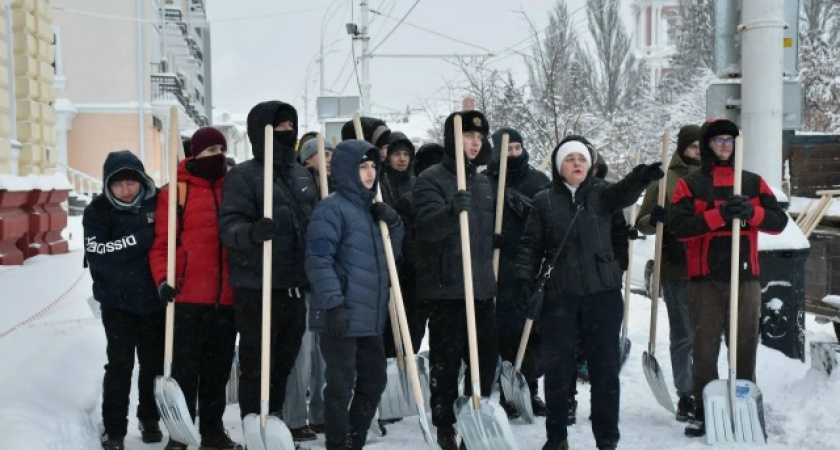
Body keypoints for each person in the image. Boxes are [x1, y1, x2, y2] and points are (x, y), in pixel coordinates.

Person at [515, 135, 664, 450]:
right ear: (559, 167)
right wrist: (523, 280)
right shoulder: (543, 200)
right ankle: (557, 437)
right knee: (557, 372)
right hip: (559, 299)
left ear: (589, 165)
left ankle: (607, 440)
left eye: (582, 159)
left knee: (605, 372)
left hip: (602, 298)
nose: (577, 164)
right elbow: (530, 245)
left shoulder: (602, 194)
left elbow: (623, 195)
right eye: (570, 159)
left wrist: (640, 178)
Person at [667, 119, 788, 438]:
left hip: (745, 277)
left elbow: (778, 222)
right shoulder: (691, 185)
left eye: (729, 140)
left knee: (745, 344)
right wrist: (719, 215)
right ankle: (703, 408)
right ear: (707, 144)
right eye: (718, 140)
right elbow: (679, 228)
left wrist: (752, 214)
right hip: (704, 279)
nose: (724, 146)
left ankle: (744, 404)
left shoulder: (752, 183)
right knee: (704, 347)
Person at [218, 101, 317, 424]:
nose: (288, 132)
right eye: (280, 127)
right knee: (257, 364)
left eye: (291, 126)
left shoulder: (301, 174)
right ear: (262, 133)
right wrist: (252, 232)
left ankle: (273, 419)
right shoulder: (243, 176)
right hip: (257, 288)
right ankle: (254, 424)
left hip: (294, 286)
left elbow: (312, 220)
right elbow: (228, 227)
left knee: (285, 362)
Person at [305, 139, 404, 450]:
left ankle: (354, 438)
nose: (371, 173)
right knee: (340, 385)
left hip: (369, 315)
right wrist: (334, 304)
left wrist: (394, 224)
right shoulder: (330, 209)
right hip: (341, 313)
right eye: (363, 167)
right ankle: (338, 443)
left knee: (375, 379)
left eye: (374, 166)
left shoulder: (372, 211)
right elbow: (318, 260)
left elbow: (390, 256)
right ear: (348, 169)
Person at [148, 127, 242, 450]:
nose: (217, 154)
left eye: (221, 148)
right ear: (195, 153)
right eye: (210, 149)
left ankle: (212, 433)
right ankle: (180, 435)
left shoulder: (234, 188)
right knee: (185, 372)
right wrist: (163, 280)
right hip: (188, 298)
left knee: (217, 373)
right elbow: (161, 245)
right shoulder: (176, 191)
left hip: (227, 298)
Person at [413, 110, 499, 450]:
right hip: (447, 288)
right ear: (453, 139)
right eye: (468, 136)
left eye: (479, 138)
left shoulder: (483, 182)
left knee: (486, 360)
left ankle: (474, 418)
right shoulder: (431, 179)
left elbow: (479, 234)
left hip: (481, 288)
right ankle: (445, 424)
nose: (475, 143)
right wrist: (449, 212)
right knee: (446, 364)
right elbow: (426, 229)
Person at [83, 150, 164, 450]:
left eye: (132, 182)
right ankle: (114, 429)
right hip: (117, 303)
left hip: (155, 300)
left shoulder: (158, 204)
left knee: (153, 365)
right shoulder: (98, 211)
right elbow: (100, 255)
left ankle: (150, 418)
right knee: (120, 365)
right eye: (118, 184)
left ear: (143, 181)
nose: (126, 190)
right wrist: (140, 239)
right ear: (108, 185)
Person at [635, 124, 702, 422]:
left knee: (708, 335)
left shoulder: (715, 177)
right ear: (682, 147)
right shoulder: (665, 181)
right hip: (677, 266)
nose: (698, 151)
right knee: (684, 334)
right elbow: (642, 223)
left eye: (702, 146)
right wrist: (655, 218)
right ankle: (686, 394)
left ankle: (707, 390)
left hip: (710, 267)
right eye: (693, 146)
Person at [483, 126, 549, 419]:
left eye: (517, 148)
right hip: (499, 269)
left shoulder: (538, 181)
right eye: (507, 150)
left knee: (532, 331)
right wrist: (489, 238)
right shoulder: (485, 183)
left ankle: (530, 390)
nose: (513, 154)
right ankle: (508, 393)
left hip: (531, 265)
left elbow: (551, 217)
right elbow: (474, 222)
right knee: (505, 333)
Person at [284, 135, 334, 441]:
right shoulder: (297, 191)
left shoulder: (337, 191)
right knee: (301, 354)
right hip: (302, 283)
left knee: (324, 355)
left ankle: (320, 413)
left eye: (331, 154)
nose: (329, 160)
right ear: (307, 159)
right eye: (323, 154)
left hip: (327, 283)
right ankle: (294, 417)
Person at [382, 131, 416, 200]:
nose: (402, 159)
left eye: (406, 154)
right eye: (397, 154)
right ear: (388, 157)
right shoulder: (381, 185)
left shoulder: (416, 183)